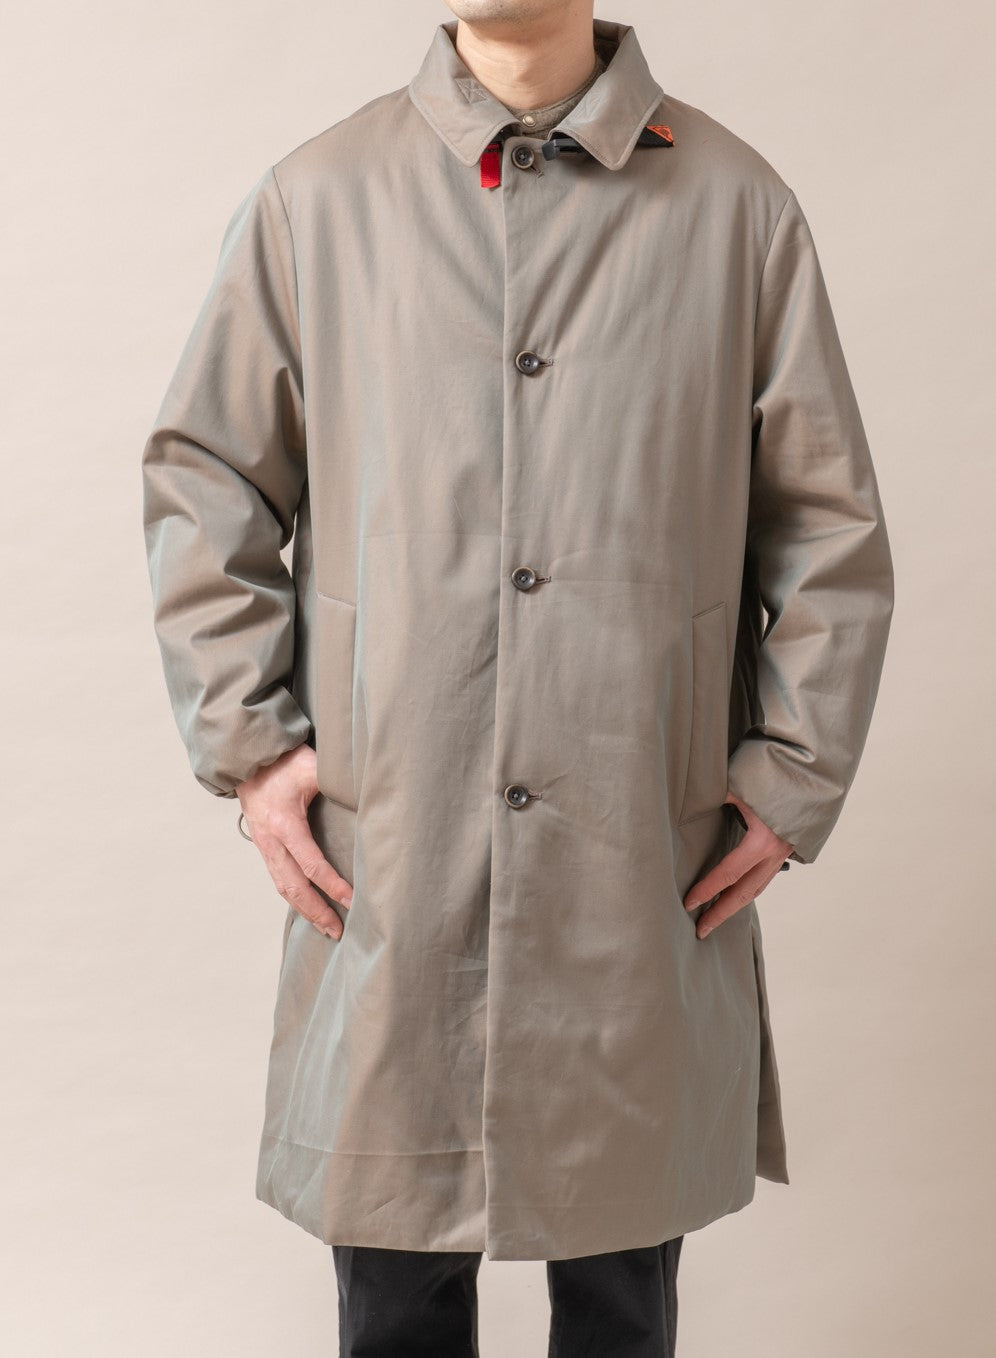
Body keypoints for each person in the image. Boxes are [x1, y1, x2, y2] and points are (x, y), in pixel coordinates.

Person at [141, 3, 895, 1353]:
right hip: (398, 837)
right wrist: (251, 745)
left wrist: (792, 776)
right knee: (394, 1292)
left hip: (636, 846)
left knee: (620, 1295)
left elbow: (827, 525)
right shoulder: (322, 199)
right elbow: (207, 478)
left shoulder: (735, 209)